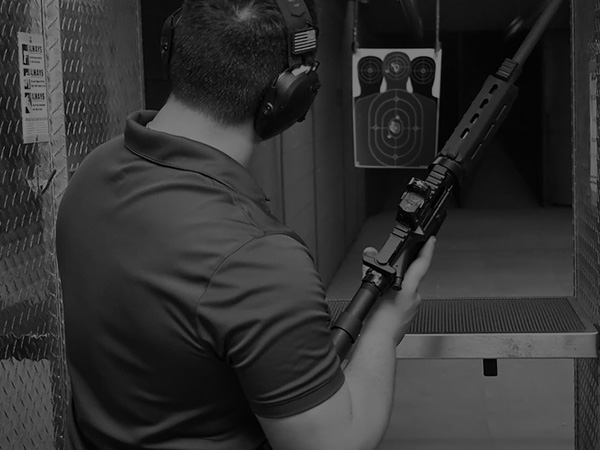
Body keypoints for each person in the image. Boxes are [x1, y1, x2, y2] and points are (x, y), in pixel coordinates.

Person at [55, 1, 436, 449]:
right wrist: (384, 328)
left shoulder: (93, 171)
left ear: (172, 48)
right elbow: (334, 443)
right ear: (295, 94)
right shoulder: (256, 258)